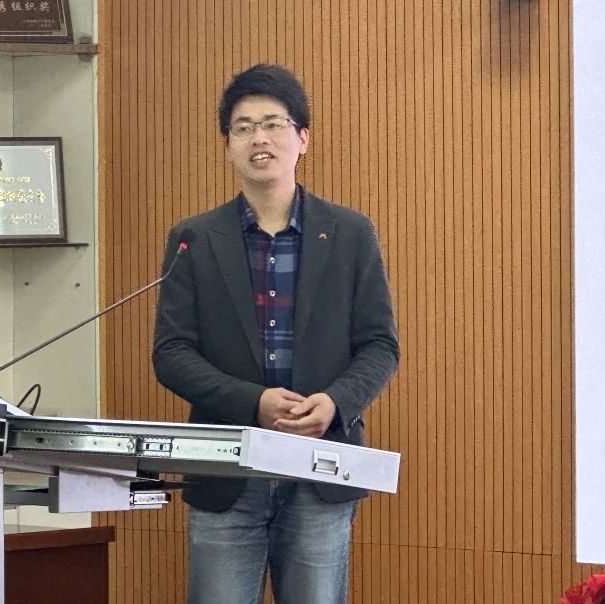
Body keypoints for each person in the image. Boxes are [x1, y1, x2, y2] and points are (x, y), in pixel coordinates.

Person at [152, 64, 400, 604]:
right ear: (228, 146)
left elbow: (380, 345)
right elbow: (171, 353)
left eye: (273, 124)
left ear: (302, 138)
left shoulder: (350, 234)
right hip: (226, 471)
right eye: (242, 128)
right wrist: (253, 402)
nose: (258, 138)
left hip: (321, 466)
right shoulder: (194, 239)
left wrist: (335, 402)